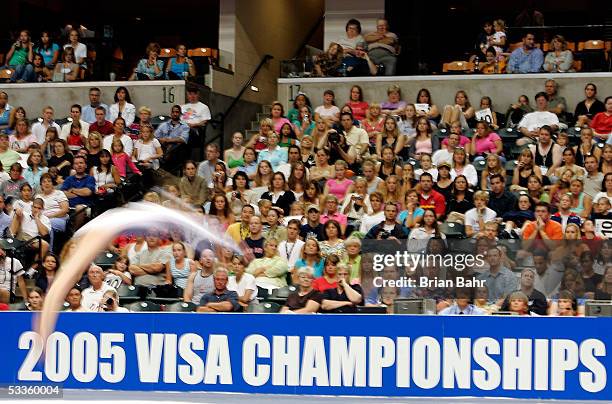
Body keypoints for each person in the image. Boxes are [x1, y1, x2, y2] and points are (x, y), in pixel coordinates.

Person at [155, 105, 189, 171]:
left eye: (177, 112)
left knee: (174, 146)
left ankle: (164, 160)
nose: (175, 114)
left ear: (180, 114)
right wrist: (161, 140)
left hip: (176, 150)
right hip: (163, 147)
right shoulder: (163, 125)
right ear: (171, 113)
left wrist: (168, 140)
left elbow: (183, 139)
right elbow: (155, 136)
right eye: (173, 112)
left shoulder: (184, 126)